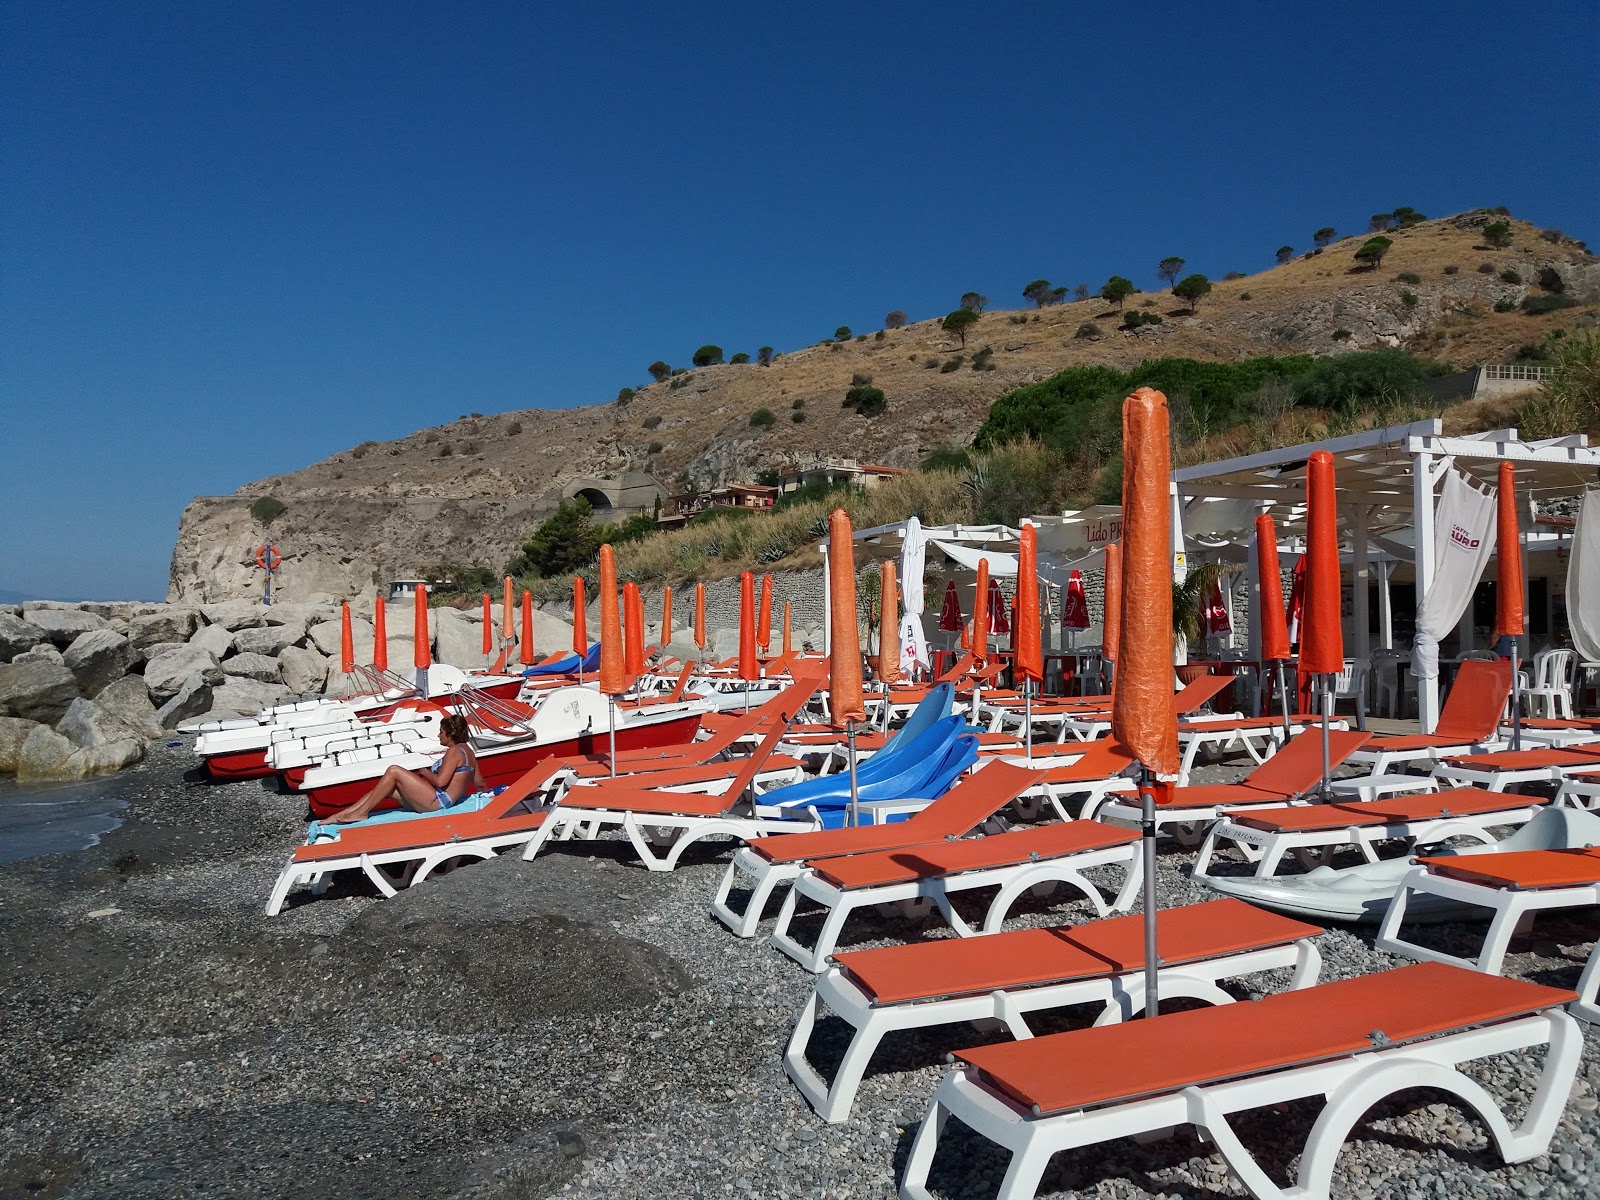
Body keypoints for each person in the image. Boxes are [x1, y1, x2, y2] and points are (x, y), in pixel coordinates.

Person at [326, 713, 487, 824]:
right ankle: (344, 814)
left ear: (450, 735)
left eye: (441, 732)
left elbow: (440, 781)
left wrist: (425, 772)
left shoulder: (454, 751)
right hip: (440, 801)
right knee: (386, 788)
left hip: (436, 802)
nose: (439, 735)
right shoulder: (469, 752)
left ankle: (360, 813)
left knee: (393, 770)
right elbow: (479, 783)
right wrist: (488, 799)